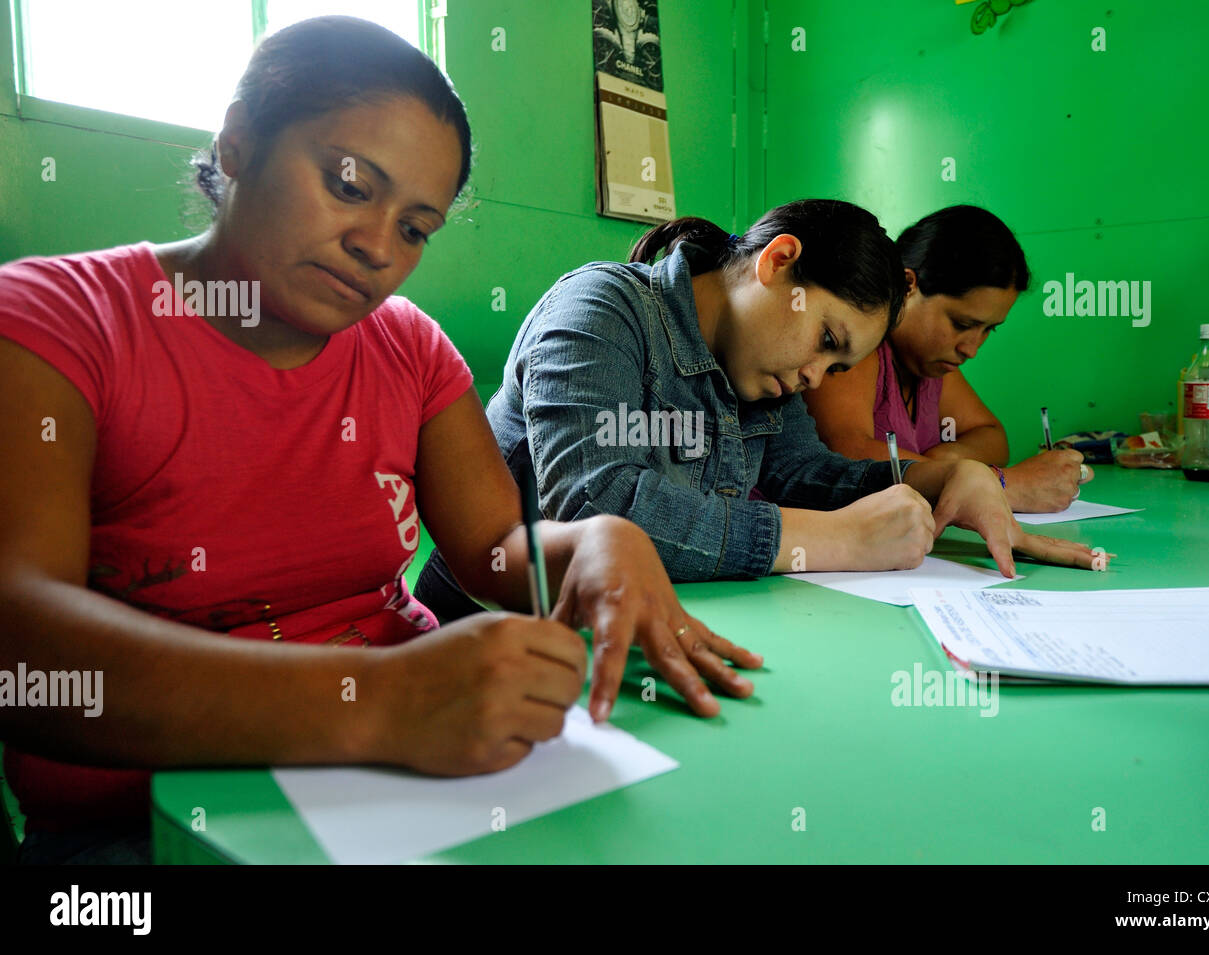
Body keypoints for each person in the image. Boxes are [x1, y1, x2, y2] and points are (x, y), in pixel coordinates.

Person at [0, 16, 758, 864]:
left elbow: (494, 552)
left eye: (415, 228)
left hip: (409, 771)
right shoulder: (55, 323)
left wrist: (588, 544)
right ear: (238, 143)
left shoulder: (410, 348)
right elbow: (24, 645)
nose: (374, 247)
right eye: (350, 186)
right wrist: (379, 703)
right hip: (137, 817)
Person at [415, 201, 1104, 621]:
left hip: (636, 627)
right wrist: (834, 541)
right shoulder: (602, 308)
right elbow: (594, 502)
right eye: (826, 341)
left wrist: (934, 481)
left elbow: (807, 471)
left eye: (836, 369)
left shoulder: (763, 377)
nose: (813, 376)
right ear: (778, 263)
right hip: (486, 625)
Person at [803, 205, 1092, 512]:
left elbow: (993, 438)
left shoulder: (929, 365)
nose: (971, 349)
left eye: (988, 330)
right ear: (908, 285)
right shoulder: (854, 350)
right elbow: (849, 452)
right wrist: (999, 483)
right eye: (962, 325)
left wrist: (948, 459)